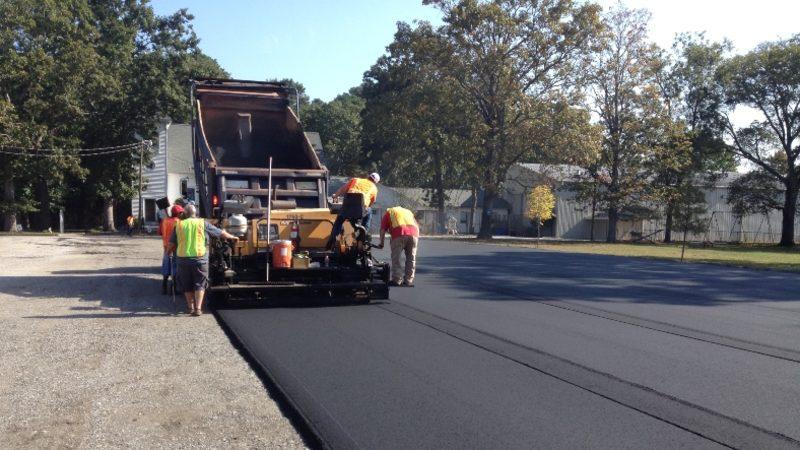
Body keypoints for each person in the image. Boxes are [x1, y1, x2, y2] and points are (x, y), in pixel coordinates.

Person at [168, 205, 238, 316]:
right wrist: (232, 237)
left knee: (187, 284)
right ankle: (198, 308)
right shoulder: (202, 223)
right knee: (200, 283)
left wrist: (168, 252)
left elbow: (171, 244)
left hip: (182, 260)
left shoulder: (179, 225)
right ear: (195, 213)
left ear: (185, 214)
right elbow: (219, 233)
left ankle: (190, 308)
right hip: (200, 259)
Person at [326, 172, 380, 249]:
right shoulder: (374, 188)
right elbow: (371, 203)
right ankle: (362, 237)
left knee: (339, 220)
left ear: (368, 177)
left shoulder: (355, 180)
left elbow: (342, 190)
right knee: (369, 212)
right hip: (360, 211)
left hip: (347, 208)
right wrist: (366, 209)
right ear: (376, 182)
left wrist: (335, 197)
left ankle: (332, 240)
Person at [378, 205, 419, 287]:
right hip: (414, 233)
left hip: (399, 232)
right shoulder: (408, 212)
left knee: (396, 257)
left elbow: (382, 230)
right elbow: (416, 224)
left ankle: (397, 279)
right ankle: (408, 280)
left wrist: (381, 243)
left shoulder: (388, 213)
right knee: (411, 258)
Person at [159, 204, 183, 295]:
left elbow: (160, 232)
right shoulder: (179, 222)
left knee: (166, 266)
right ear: (178, 213)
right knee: (175, 267)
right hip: (176, 247)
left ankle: (164, 286)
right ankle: (174, 288)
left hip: (166, 247)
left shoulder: (164, 221)